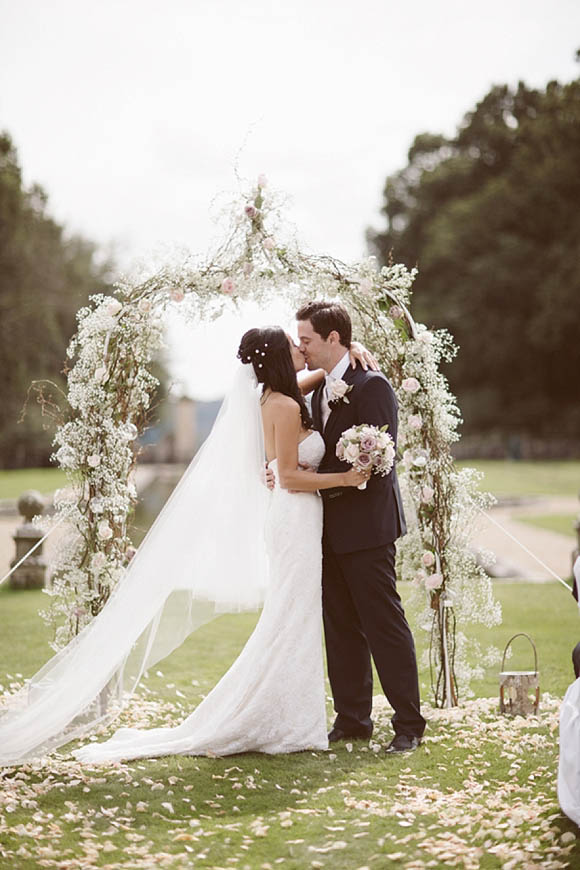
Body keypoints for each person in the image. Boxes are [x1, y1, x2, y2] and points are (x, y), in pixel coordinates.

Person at [0, 327, 370, 766]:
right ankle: (282, 716)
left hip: (293, 519)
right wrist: (345, 478)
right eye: (292, 344)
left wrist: (348, 355)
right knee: (294, 615)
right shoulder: (285, 405)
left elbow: (311, 385)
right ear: (276, 356)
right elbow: (288, 476)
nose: (299, 348)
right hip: (295, 517)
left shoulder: (270, 397)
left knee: (293, 615)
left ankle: (287, 711)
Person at [295, 300, 426, 753]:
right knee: (341, 627)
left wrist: (331, 477)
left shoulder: (372, 386)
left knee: (383, 625)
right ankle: (353, 719)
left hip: (368, 528)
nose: (302, 348)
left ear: (334, 339)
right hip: (324, 529)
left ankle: (409, 723)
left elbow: (381, 461)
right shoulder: (315, 390)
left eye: (307, 340)